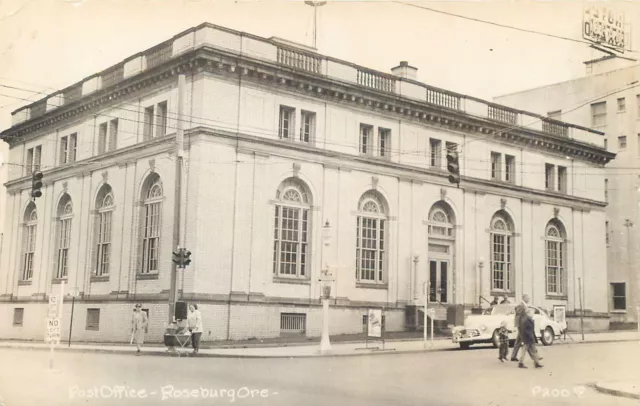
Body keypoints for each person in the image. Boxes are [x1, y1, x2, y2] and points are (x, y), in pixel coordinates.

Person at [510, 294, 529, 361]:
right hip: (522, 326)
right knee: (527, 342)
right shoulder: (521, 305)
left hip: (522, 325)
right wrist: (518, 325)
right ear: (524, 298)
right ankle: (535, 356)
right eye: (527, 298)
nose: (528, 299)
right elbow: (518, 316)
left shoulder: (523, 305)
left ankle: (513, 356)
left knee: (518, 341)